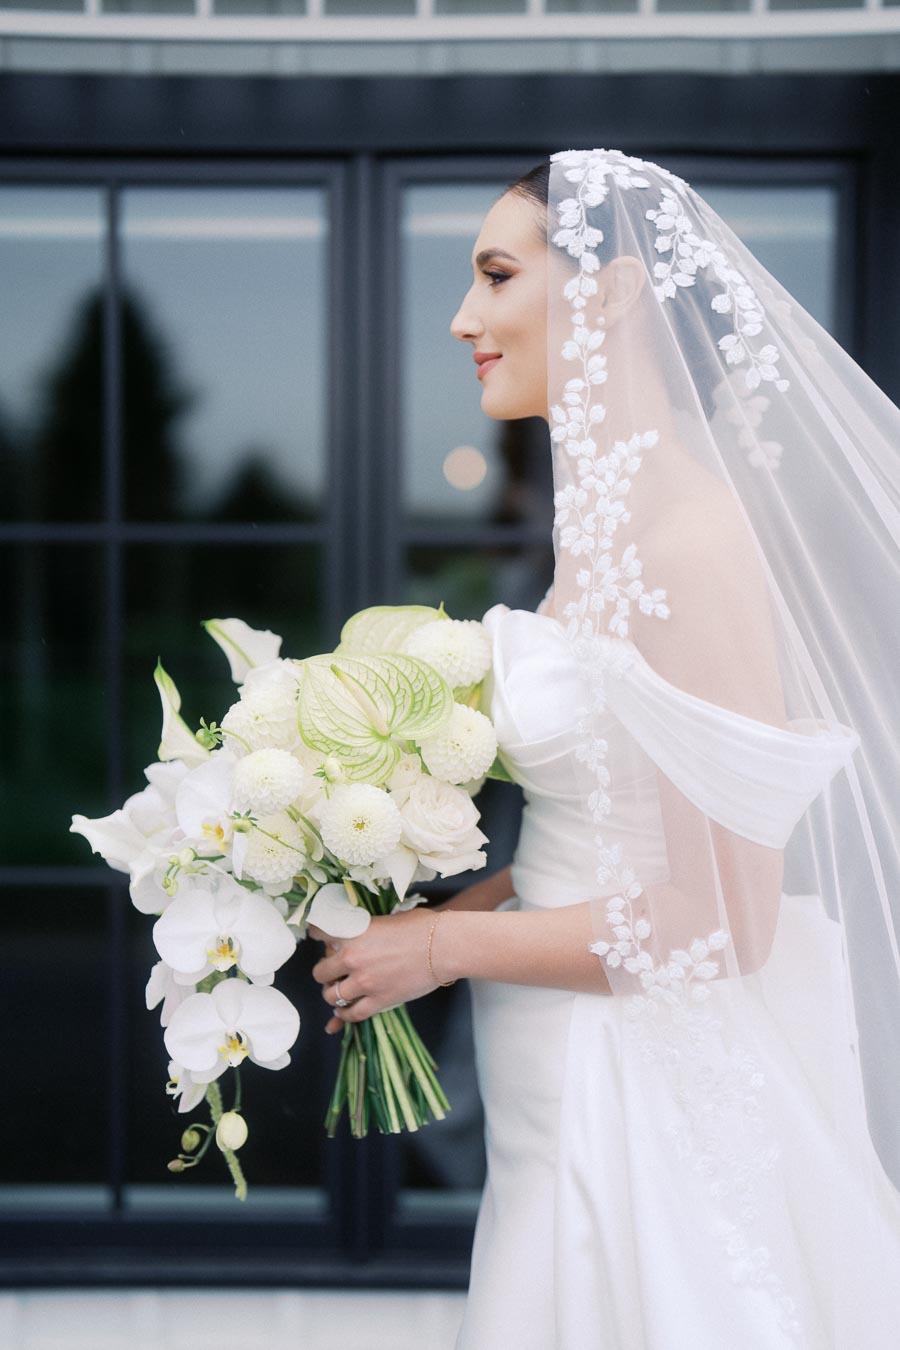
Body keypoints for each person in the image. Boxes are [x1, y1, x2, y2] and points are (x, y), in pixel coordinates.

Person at [310, 149, 900, 1347]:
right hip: (555, 1067)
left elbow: (727, 917)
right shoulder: (604, 529)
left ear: (616, 290)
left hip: (639, 1092)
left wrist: (441, 942)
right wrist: (426, 919)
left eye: (496, 275)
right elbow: (610, 821)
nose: (466, 319)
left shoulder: (687, 538)